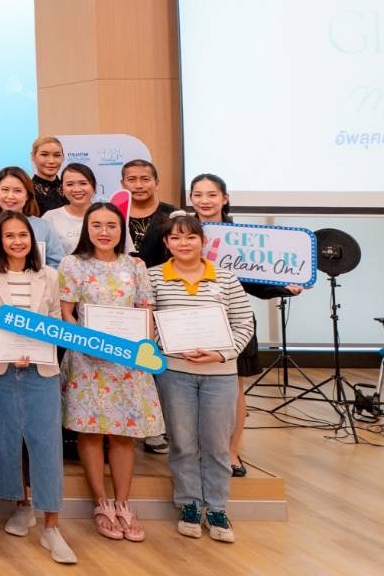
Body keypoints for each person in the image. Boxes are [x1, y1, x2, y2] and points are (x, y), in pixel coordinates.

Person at [0, 211, 76, 564]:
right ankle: (22, 506)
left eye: (23, 235)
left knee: (46, 447)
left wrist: (35, 349)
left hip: (41, 372)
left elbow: (55, 323)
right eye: (9, 236)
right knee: (7, 442)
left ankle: (52, 527)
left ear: (33, 239)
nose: (17, 241)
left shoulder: (50, 275)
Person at [147, 212, 255, 544]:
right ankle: (189, 505)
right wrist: (169, 347)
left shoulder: (226, 278)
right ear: (166, 243)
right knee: (182, 442)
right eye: (176, 238)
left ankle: (217, 507)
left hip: (220, 373)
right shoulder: (153, 277)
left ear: (203, 241)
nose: (184, 243)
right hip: (175, 372)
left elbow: (244, 323)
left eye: (191, 237)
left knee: (217, 443)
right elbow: (147, 324)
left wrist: (221, 354)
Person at [60, 201, 164, 542]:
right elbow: (67, 314)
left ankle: (123, 503)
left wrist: (142, 349)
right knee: (90, 432)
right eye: (97, 225)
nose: (104, 232)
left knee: (123, 433)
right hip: (87, 361)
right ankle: (101, 503)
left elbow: (145, 312)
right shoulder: (72, 264)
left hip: (128, 362)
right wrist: (85, 342)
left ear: (122, 230)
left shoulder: (135, 265)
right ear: (86, 229)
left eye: (111, 225)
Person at [189, 173, 299, 476]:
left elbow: (254, 284)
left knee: (234, 389)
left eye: (212, 194)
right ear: (190, 199)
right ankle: (195, 453)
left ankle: (232, 453)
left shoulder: (244, 237)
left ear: (225, 198)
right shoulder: (181, 231)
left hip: (233, 321)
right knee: (187, 388)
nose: (205, 201)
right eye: (198, 194)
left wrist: (283, 288)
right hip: (189, 320)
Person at [0, 167, 65, 270]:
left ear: (27, 195)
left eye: (17, 191)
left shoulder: (44, 227)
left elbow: (58, 265)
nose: (10, 196)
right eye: (5, 190)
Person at [121, 159, 178, 267]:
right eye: (131, 180)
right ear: (123, 184)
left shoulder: (174, 214)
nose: (139, 185)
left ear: (156, 183)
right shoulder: (115, 214)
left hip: (165, 276)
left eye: (145, 179)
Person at [45, 162, 97, 257]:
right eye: (70, 184)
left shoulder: (107, 215)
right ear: (62, 188)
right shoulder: (50, 217)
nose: (77, 189)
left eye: (83, 183)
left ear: (94, 186)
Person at [30, 136, 66, 214]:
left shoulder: (69, 189)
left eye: (57, 155)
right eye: (44, 155)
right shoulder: (27, 191)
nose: (51, 161)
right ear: (33, 156)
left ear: (63, 157)